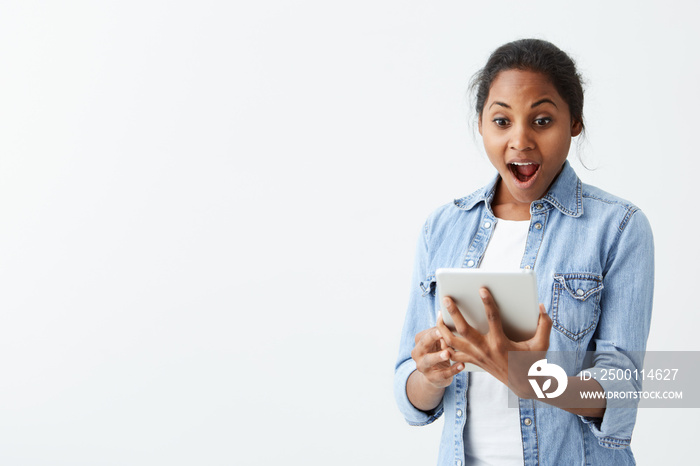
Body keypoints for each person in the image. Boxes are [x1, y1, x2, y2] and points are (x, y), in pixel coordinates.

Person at [393, 39, 654, 466]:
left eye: (542, 120)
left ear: (574, 123)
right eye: (501, 120)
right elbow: (410, 395)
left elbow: (621, 390)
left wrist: (531, 379)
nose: (520, 140)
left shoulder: (619, 227)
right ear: (481, 124)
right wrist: (428, 374)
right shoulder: (442, 227)